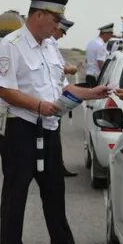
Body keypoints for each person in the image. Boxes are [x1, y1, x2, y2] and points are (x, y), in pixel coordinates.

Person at [0, 0, 110, 244]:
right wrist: (39, 106)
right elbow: (3, 89)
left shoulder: (51, 47)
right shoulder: (11, 46)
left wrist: (91, 92)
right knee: (16, 191)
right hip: (21, 127)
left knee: (54, 190)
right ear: (39, 15)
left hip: (50, 127)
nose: (58, 26)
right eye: (56, 19)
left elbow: (60, 90)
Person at [48, 17, 79, 178]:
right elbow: (57, 70)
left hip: (58, 94)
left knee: (54, 136)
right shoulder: (49, 44)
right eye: (63, 31)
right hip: (51, 98)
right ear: (57, 27)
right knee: (52, 136)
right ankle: (55, 167)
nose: (63, 35)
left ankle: (57, 166)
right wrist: (69, 70)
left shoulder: (52, 44)